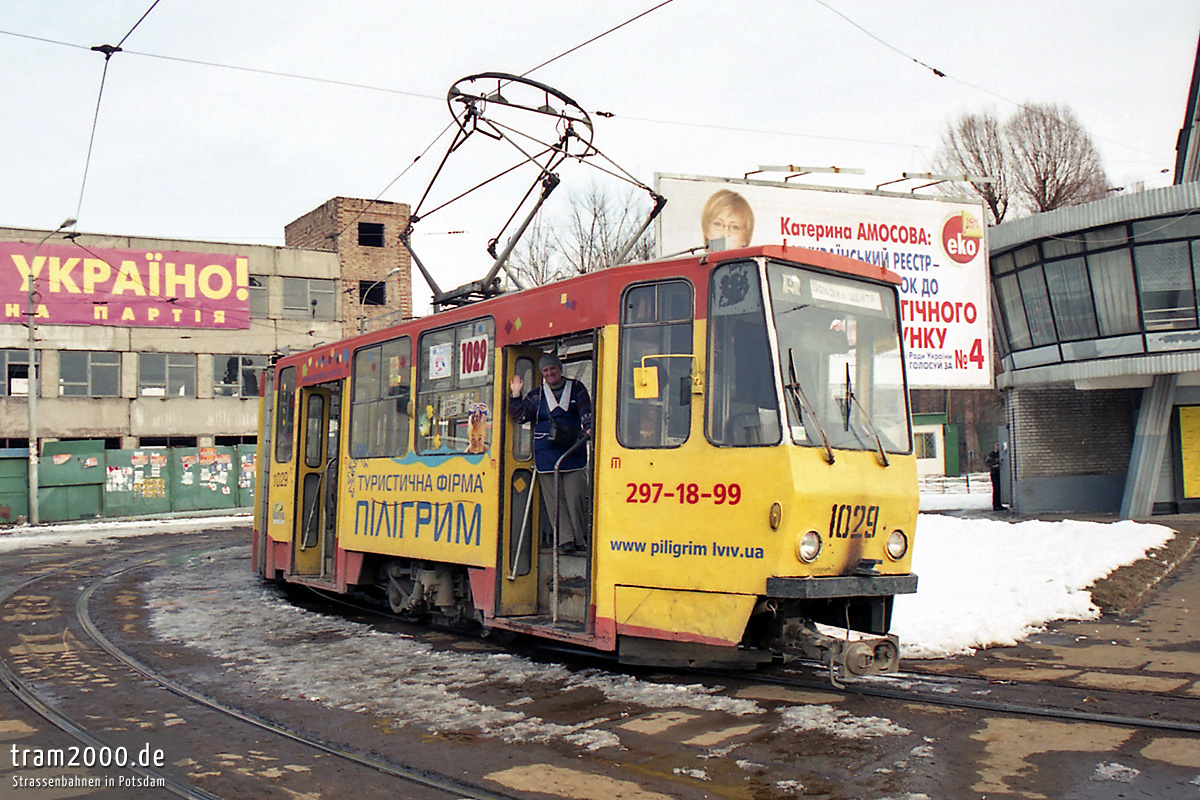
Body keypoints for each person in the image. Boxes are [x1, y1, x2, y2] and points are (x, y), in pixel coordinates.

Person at [508, 352, 592, 554]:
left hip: (573, 450)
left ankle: (580, 539)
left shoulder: (577, 388)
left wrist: (588, 429)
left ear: (560, 369)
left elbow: (586, 411)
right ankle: (565, 540)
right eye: (545, 370)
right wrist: (516, 394)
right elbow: (520, 416)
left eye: (552, 368)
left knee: (576, 496)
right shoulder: (536, 394)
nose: (549, 373)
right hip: (546, 453)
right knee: (554, 499)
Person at [985, 442, 1003, 511]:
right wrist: (993, 466)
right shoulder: (991, 454)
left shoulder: (1001, 454)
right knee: (996, 489)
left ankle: (999, 504)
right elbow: (987, 462)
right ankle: (996, 505)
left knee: (1000, 489)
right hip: (994, 473)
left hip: (1001, 473)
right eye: (997, 446)